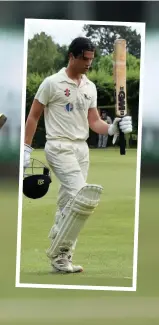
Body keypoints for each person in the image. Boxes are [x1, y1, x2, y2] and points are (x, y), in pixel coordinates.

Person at [24, 36, 132, 274]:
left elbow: (94, 122)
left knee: (67, 203)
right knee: (83, 196)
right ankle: (58, 236)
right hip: (58, 146)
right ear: (71, 56)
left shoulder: (90, 87)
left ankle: (62, 257)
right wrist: (26, 148)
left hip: (81, 149)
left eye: (91, 60)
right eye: (85, 59)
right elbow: (33, 116)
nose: (88, 64)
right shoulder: (51, 83)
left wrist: (113, 127)